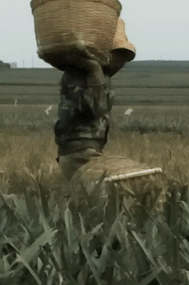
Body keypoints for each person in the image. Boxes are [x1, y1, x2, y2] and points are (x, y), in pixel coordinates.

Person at [54, 18, 135, 181]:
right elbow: (94, 109)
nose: (118, 62)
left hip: (87, 150)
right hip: (78, 153)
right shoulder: (80, 74)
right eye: (116, 55)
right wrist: (94, 69)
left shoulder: (99, 74)